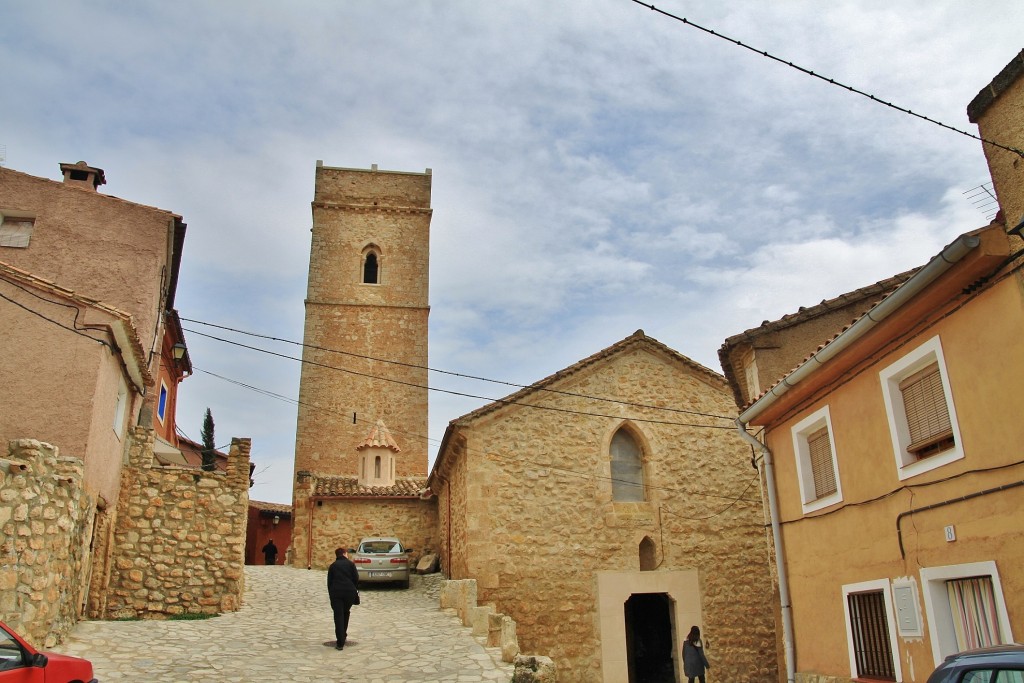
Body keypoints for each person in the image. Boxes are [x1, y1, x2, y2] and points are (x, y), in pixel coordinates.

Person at [327, 547, 360, 650]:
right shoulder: (351, 564)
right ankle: (343, 635)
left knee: (338, 616)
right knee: (346, 612)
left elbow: (329, 582)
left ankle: (340, 642)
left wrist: (331, 594)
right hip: (349, 593)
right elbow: (356, 578)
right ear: (345, 554)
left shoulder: (333, 566)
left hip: (336, 593)